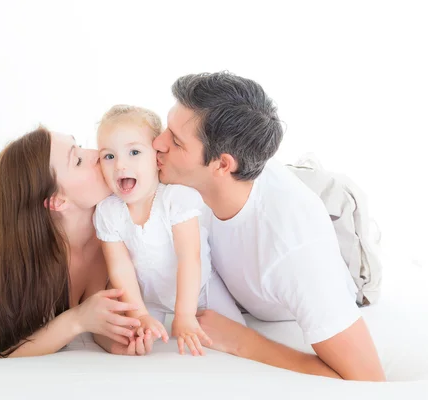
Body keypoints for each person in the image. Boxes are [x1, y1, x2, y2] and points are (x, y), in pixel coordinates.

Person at [152, 72, 386, 381]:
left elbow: (367, 377)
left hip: (333, 248)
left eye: (176, 141)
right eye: (166, 129)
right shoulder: (190, 177)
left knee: (331, 196)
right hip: (266, 193)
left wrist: (242, 340)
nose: (157, 142)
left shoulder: (295, 254)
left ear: (222, 165)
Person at [0, 126, 156, 358]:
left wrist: (116, 342)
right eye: (79, 160)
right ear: (57, 202)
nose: (96, 153)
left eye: (81, 145)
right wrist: (77, 320)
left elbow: (99, 314)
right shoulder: (26, 265)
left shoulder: (116, 229)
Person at [93, 105, 245, 356]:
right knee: (136, 340)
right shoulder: (108, 211)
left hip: (200, 289)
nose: (120, 165)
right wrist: (139, 313)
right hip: (149, 297)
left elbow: (189, 258)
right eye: (108, 156)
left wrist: (184, 315)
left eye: (133, 152)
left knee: (234, 335)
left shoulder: (175, 198)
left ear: (156, 157)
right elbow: (120, 267)